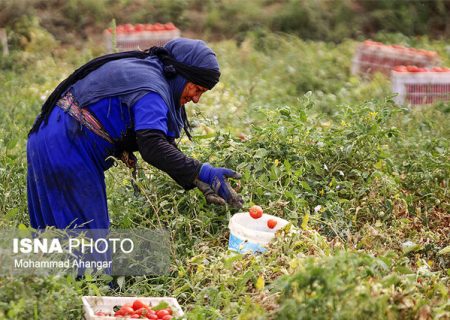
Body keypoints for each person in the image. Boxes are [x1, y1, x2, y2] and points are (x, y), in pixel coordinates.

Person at [27, 38, 243, 230]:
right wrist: (202, 171)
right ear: (179, 74)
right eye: (196, 89)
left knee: (54, 239)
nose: (196, 99)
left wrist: (196, 177)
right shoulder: (152, 90)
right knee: (88, 246)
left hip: (50, 137)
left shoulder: (149, 71)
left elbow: (162, 142)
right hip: (67, 147)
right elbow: (153, 146)